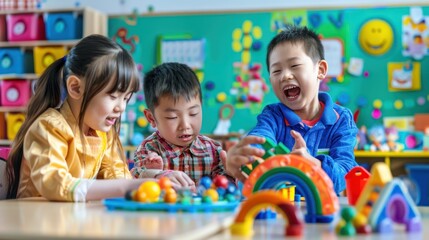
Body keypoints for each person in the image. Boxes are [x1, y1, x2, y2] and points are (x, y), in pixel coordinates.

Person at [6, 34, 154, 202]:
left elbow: (116, 173)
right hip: (36, 221)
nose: (121, 107)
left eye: (126, 98)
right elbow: (54, 183)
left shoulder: (103, 132)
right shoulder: (49, 127)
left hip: (73, 220)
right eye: (113, 96)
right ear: (75, 88)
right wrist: (124, 187)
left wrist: (151, 182)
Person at [226, 25, 358, 194]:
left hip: (322, 212)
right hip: (279, 211)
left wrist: (314, 164)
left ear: (320, 70)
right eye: (276, 70)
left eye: (294, 65)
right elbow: (259, 139)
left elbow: (346, 175)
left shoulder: (341, 119)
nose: (285, 75)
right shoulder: (272, 116)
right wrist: (243, 157)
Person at [131, 62, 234, 189]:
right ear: (151, 118)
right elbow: (134, 177)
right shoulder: (149, 149)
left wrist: (230, 175)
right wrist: (155, 174)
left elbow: (226, 191)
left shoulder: (213, 150)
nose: (185, 126)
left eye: (193, 113)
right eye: (172, 117)